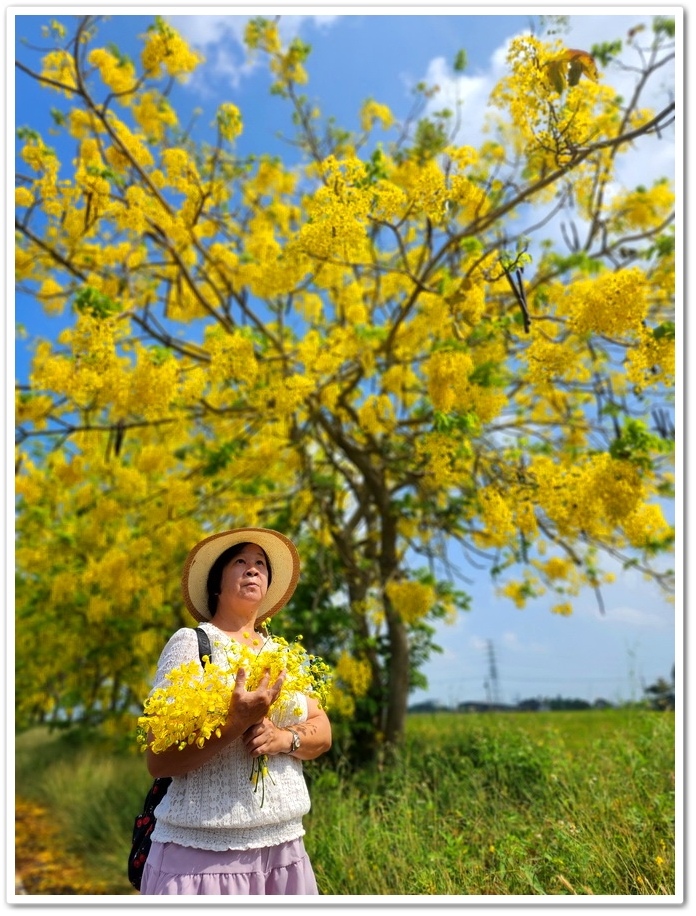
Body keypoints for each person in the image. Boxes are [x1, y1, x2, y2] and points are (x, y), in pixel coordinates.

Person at [140, 527, 332, 895]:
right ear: (216, 583)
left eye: (261, 563)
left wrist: (282, 738)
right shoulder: (191, 644)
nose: (253, 569)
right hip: (203, 856)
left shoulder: (283, 653)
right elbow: (158, 760)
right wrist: (235, 723)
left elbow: (322, 731)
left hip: (286, 848)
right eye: (240, 562)